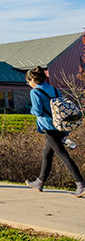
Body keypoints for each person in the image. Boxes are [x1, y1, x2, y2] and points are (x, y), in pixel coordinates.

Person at [24, 66, 85, 197]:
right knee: (47, 154)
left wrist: (30, 110)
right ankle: (39, 182)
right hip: (60, 126)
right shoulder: (54, 89)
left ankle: (81, 184)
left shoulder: (35, 92)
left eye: (28, 81)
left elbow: (37, 111)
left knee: (63, 155)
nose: (28, 84)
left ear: (33, 79)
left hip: (49, 128)